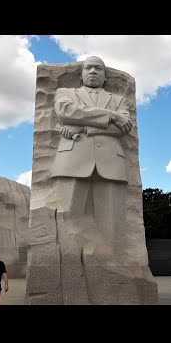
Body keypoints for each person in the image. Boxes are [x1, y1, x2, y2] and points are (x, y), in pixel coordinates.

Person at [50, 56, 132, 253]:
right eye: (89, 68)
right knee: (66, 218)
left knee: (111, 224)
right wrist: (111, 116)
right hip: (72, 160)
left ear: (105, 77)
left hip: (111, 163)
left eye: (98, 68)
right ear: (81, 74)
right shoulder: (65, 93)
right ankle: (68, 259)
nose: (93, 71)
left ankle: (111, 263)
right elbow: (66, 111)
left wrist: (86, 127)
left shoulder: (119, 100)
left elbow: (123, 129)